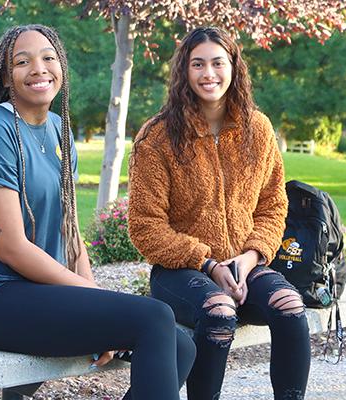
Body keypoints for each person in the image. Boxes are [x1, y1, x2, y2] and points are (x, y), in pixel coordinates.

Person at [0, 24, 196, 400]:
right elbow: (10, 248)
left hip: (34, 292)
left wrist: (97, 303)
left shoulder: (60, 130)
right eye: (22, 62)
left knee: (181, 346)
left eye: (48, 58)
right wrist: (91, 294)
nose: (38, 68)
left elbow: (69, 229)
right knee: (154, 317)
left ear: (61, 67)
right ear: (6, 78)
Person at [128, 27, 311, 400]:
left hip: (245, 265)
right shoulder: (158, 137)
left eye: (217, 63)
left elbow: (273, 205)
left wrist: (250, 257)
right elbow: (145, 227)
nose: (208, 73)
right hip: (181, 272)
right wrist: (209, 263)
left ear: (234, 67)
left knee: (291, 306)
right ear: (184, 71)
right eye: (198, 64)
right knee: (219, 311)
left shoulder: (256, 130)